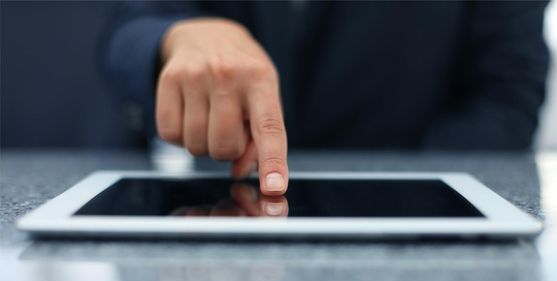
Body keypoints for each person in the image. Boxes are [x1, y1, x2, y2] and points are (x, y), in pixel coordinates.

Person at [102, 1, 549, 196]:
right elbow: (128, 28)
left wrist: (397, 196)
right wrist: (175, 37)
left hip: (415, 252)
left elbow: (507, 96)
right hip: (221, 222)